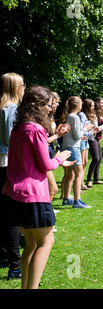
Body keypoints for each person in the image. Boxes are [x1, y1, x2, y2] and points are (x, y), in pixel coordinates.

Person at [2, 85, 73, 289]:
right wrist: (58, 159)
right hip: (33, 197)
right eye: (48, 106)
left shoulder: (19, 128)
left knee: (32, 244)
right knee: (46, 243)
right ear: (37, 106)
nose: (50, 109)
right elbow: (46, 164)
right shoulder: (35, 129)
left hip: (14, 195)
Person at [0, 72, 25, 280]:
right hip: (7, 163)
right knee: (11, 216)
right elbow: (11, 139)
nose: (24, 88)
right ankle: (15, 266)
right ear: (15, 87)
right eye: (22, 85)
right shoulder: (11, 108)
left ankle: (4, 257)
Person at [60, 96, 95, 208]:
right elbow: (77, 135)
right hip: (73, 148)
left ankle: (66, 198)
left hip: (66, 146)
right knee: (78, 174)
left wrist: (81, 132)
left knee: (70, 174)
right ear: (78, 105)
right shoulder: (74, 117)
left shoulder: (70, 116)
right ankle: (77, 201)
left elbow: (74, 134)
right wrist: (86, 128)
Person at [86, 97, 103, 187]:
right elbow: (96, 129)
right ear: (97, 103)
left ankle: (96, 178)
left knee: (99, 159)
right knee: (96, 159)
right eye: (101, 103)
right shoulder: (94, 115)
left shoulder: (100, 114)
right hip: (92, 138)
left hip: (97, 138)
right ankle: (89, 179)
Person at [78, 99, 96, 190]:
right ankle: (79, 184)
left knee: (85, 162)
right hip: (81, 141)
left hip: (85, 141)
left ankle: (81, 183)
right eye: (92, 106)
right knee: (81, 163)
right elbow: (82, 129)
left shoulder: (86, 115)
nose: (93, 107)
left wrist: (92, 132)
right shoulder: (81, 115)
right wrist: (91, 131)